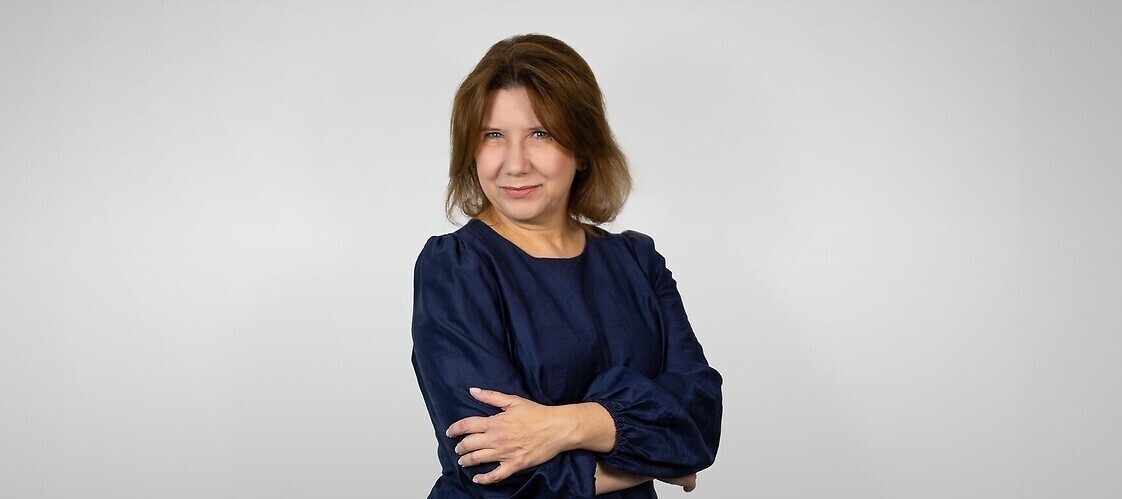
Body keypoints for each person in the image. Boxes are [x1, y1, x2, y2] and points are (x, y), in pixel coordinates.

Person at [411, 34, 723, 498]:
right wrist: (659, 460)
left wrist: (564, 425)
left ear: (582, 148)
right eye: (492, 135)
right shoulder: (456, 268)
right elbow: (496, 472)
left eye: (541, 134)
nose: (515, 164)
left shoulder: (637, 262)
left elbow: (699, 419)